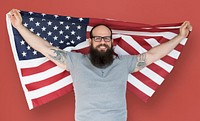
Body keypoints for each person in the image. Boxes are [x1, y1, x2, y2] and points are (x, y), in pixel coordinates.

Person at [9, 9, 192, 121]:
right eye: (98, 38)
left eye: (106, 38)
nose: (102, 42)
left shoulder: (125, 64)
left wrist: (179, 37)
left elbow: (154, 54)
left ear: (112, 42)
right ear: (91, 42)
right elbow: (45, 48)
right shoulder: (75, 61)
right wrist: (19, 27)